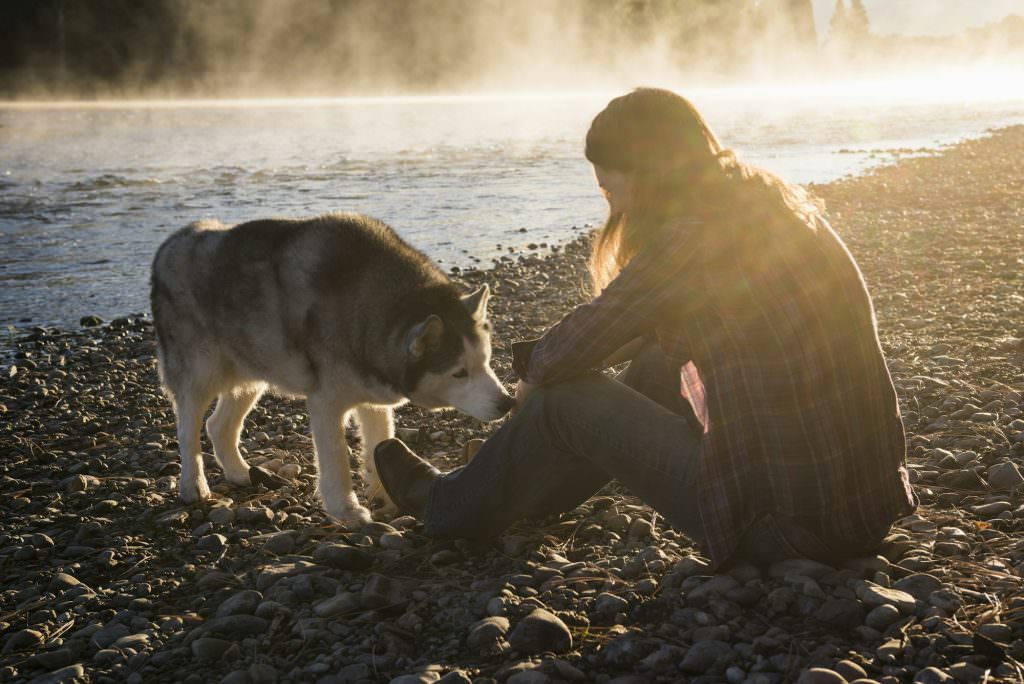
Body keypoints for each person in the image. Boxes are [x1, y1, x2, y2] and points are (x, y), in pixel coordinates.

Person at [373, 87, 917, 570]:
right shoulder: (766, 203)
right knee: (659, 357)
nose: (604, 192)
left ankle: (447, 506)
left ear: (650, 167)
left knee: (566, 399)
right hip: (861, 512)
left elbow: (574, 346)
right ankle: (516, 487)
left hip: (785, 528)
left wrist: (534, 374)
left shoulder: (691, 238)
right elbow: (640, 325)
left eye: (610, 179)